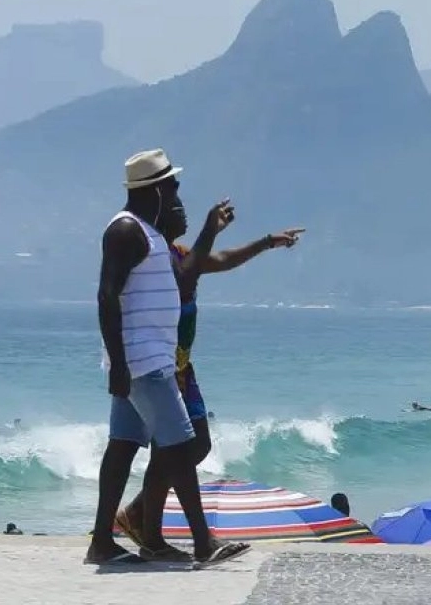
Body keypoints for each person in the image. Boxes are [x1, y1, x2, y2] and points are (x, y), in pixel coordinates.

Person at [85, 149, 246, 566]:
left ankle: (102, 541)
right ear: (153, 189)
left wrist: (210, 230)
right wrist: (118, 363)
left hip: (146, 360)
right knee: (180, 445)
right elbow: (106, 296)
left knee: (122, 447)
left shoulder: (152, 236)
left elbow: (186, 275)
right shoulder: (125, 231)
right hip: (142, 363)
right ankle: (203, 542)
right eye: (171, 186)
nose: (176, 193)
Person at [114, 200, 301, 556]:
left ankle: (141, 517)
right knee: (180, 447)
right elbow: (188, 272)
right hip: (160, 364)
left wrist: (266, 242)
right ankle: (153, 529)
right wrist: (210, 229)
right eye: (177, 207)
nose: (183, 210)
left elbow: (219, 260)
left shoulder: (178, 253)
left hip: (181, 367)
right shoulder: (159, 261)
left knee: (191, 446)